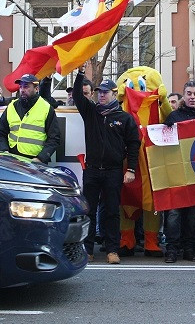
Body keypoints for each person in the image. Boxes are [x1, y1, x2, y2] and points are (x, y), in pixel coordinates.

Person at [72, 68, 140, 265]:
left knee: (111, 211)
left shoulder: (125, 118)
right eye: (99, 92)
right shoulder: (91, 112)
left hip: (113, 171)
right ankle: (88, 250)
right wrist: (80, 74)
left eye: (105, 92)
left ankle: (112, 250)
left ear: (114, 94)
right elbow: (77, 95)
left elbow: (134, 144)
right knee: (89, 211)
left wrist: (131, 169)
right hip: (92, 169)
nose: (101, 95)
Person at [163, 80, 195, 263]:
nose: (192, 97)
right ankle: (172, 249)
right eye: (189, 93)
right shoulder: (174, 117)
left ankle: (189, 249)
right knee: (174, 212)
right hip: (176, 171)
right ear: (184, 96)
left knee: (193, 213)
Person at [0, 73, 61, 163]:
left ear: (36, 89)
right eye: (21, 86)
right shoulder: (11, 106)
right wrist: (4, 151)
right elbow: (0, 132)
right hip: (12, 159)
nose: (22, 90)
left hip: (35, 162)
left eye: (26, 87)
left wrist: (41, 158)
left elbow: (54, 138)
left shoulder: (46, 108)